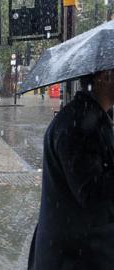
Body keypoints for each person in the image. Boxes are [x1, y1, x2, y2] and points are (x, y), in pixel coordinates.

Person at [28, 70, 114, 269]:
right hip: (74, 256)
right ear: (106, 76)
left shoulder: (92, 117)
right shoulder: (78, 126)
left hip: (80, 251)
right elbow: (91, 193)